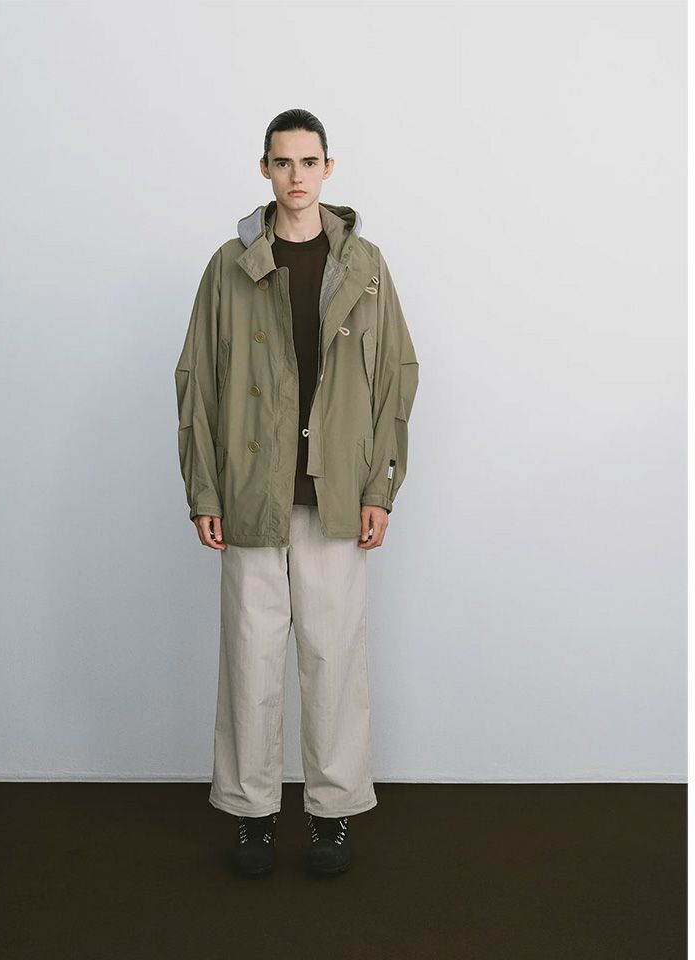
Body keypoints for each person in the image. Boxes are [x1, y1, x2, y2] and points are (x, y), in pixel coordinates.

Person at [174, 108, 419, 876]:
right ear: (265, 169)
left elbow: (396, 379)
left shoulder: (366, 266)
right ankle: (251, 815)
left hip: (335, 493)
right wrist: (205, 491)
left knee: (332, 659)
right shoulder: (231, 266)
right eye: (282, 162)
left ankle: (332, 814)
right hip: (251, 494)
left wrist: (381, 486)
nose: (296, 175)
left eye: (308, 161)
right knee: (250, 661)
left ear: (328, 168)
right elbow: (197, 382)